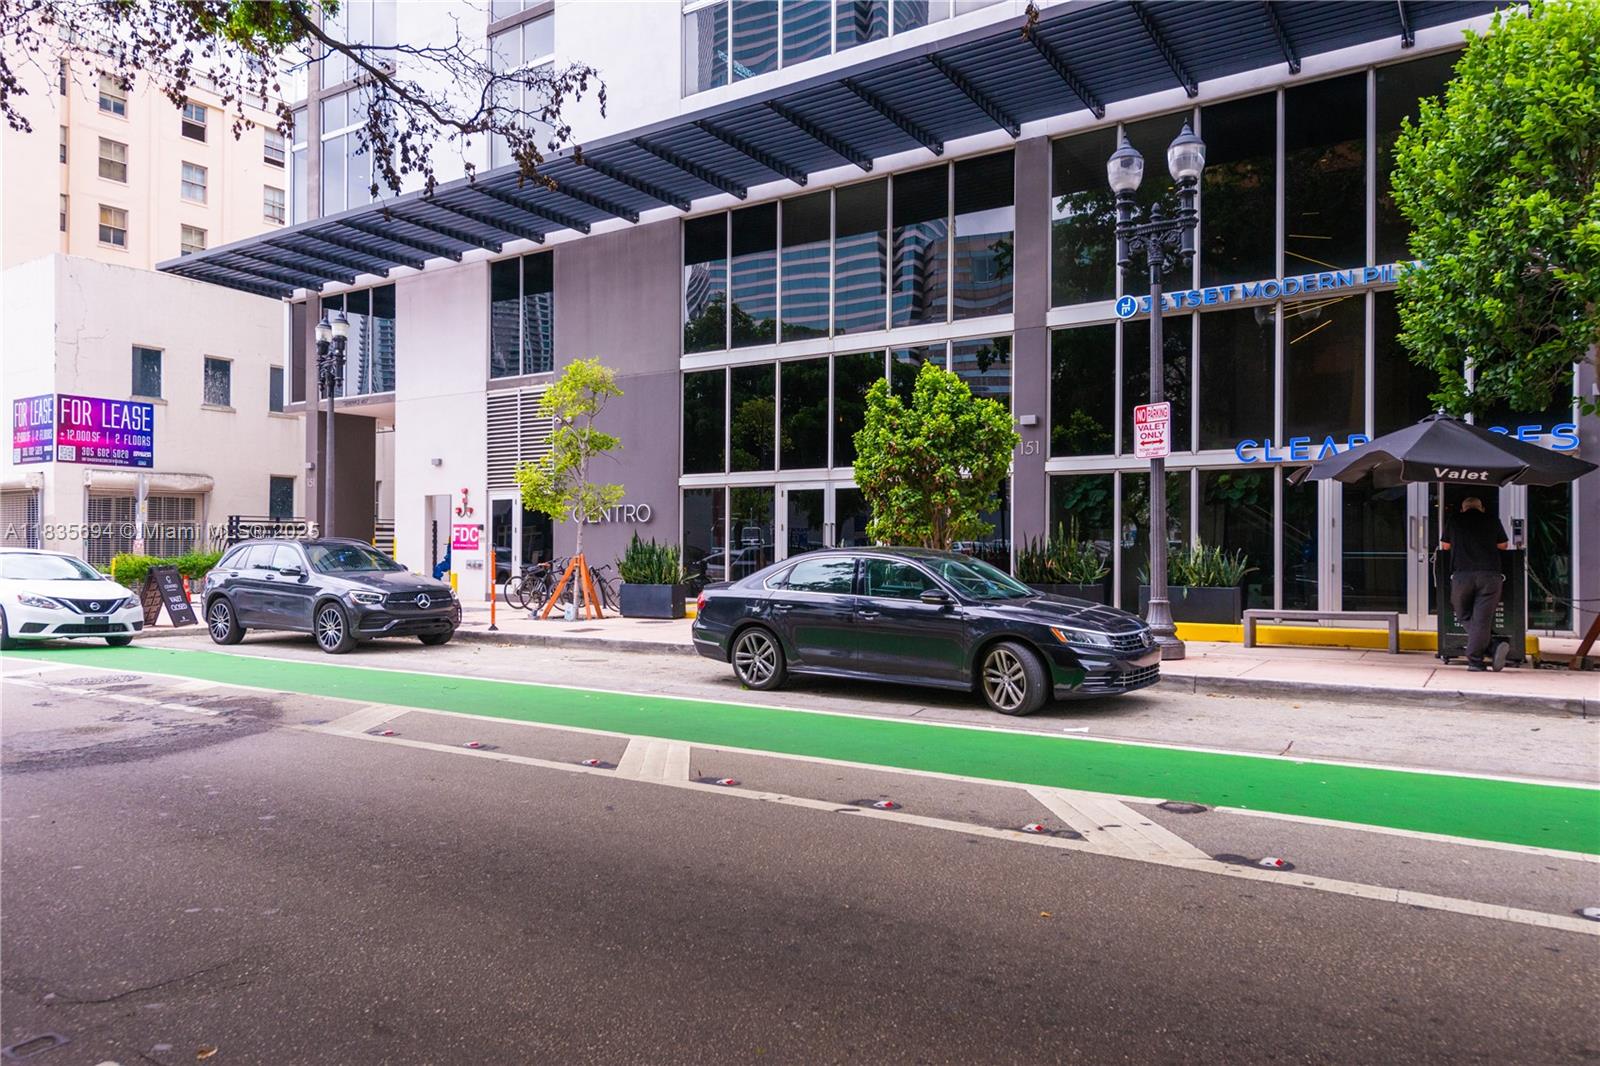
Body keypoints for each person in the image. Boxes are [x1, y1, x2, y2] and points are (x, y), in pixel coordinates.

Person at [1439, 496, 1510, 671]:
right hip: (1490, 575)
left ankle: (1482, 655)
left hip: (1462, 575)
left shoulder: (1455, 520)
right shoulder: (1492, 519)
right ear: (1481, 508)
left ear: (1463, 509)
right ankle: (1484, 653)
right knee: (1482, 619)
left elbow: (1445, 546)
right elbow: (1503, 545)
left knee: (1463, 615)